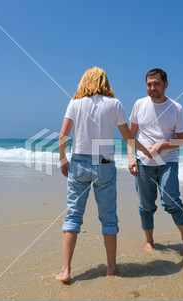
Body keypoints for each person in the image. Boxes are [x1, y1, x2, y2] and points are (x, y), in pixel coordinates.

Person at [56, 66, 151, 283]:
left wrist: (63, 160)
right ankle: (111, 268)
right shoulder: (115, 104)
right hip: (104, 160)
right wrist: (146, 151)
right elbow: (129, 138)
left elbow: (63, 135)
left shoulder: (74, 103)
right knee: (108, 216)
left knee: (73, 215)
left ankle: (66, 271)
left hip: (79, 160)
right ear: (105, 82)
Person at [127, 68, 183, 258]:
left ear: (166, 84)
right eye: (149, 84)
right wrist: (131, 158)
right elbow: (130, 136)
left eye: (156, 83)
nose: (152, 87)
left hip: (168, 161)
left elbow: (182, 140)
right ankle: (149, 241)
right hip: (143, 162)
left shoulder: (176, 108)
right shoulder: (139, 104)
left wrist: (162, 145)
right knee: (146, 206)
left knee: (171, 201)